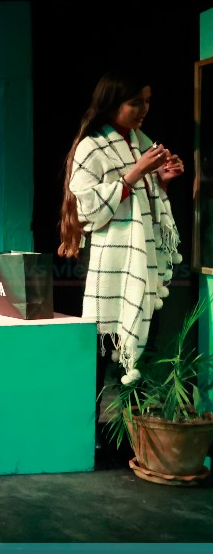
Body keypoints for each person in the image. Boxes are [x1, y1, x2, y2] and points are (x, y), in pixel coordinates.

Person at [57, 69, 184, 442]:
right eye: (134, 103)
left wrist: (162, 181)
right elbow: (88, 211)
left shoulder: (140, 142)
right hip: (108, 263)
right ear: (112, 104)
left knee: (141, 348)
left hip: (143, 262)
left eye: (147, 101)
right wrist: (135, 173)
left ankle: (134, 434)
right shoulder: (92, 147)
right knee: (101, 352)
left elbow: (146, 206)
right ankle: (87, 436)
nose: (143, 109)